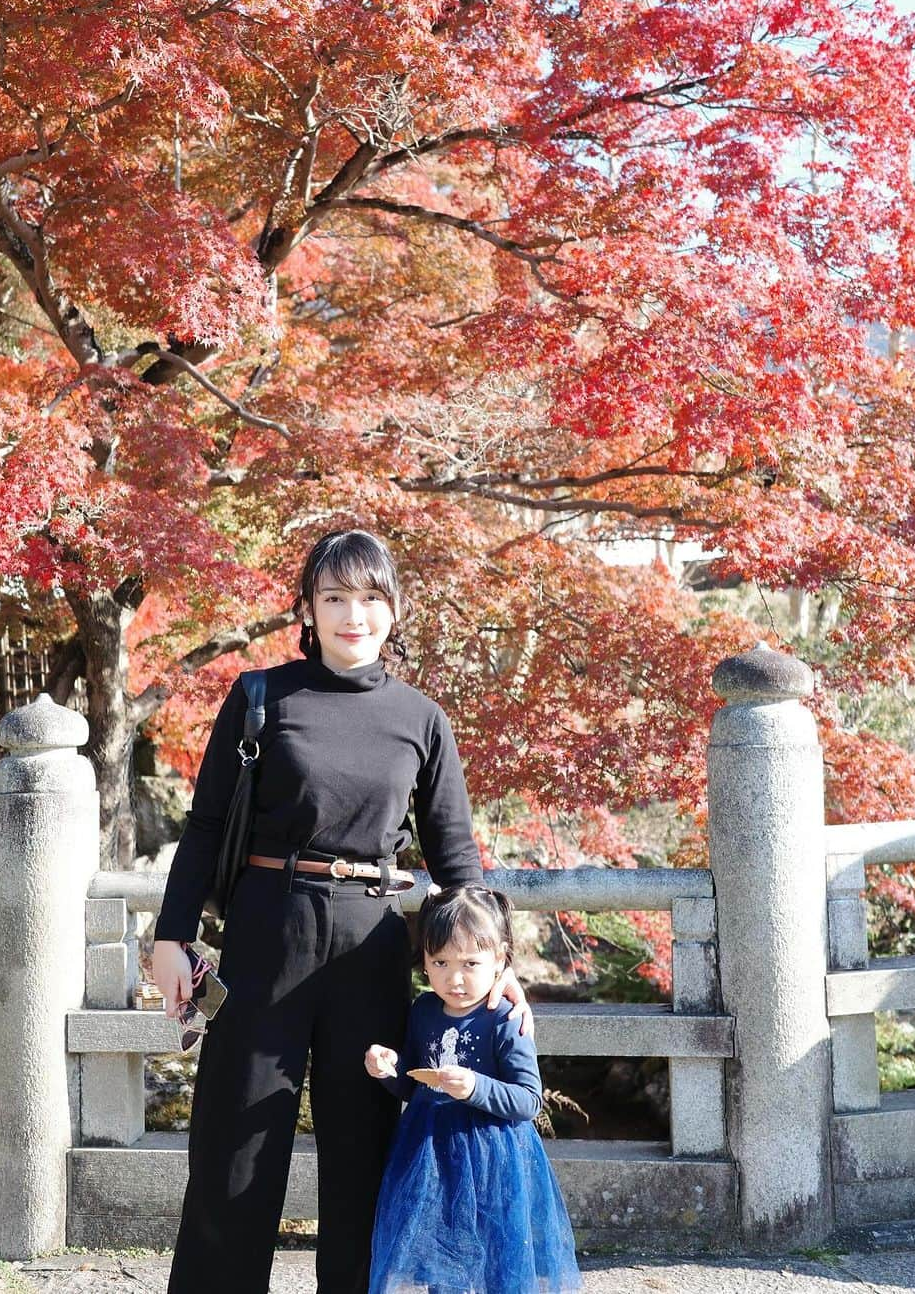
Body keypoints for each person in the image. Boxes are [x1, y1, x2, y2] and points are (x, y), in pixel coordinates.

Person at [152, 528, 534, 1294]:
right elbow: (203, 826)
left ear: (394, 610)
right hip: (268, 929)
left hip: (374, 942)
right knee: (236, 1147)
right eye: (333, 597)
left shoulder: (422, 718)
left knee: (365, 1151)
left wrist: (501, 968)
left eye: (368, 597)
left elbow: (455, 855)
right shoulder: (262, 697)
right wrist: (171, 935)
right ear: (308, 608)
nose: (351, 614)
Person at [365, 884, 582, 1294]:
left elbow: (528, 1099)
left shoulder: (504, 1019)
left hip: (492, 1156)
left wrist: (476, 1087)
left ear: (500, 958)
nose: (455, 977)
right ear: (424, 961)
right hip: (431, 1153)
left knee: (498, 1259)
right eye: (440, 962)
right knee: (440, 1256)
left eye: (470, 963)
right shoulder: (424, 1010)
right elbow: (416, 1083)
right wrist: (388, 1070)